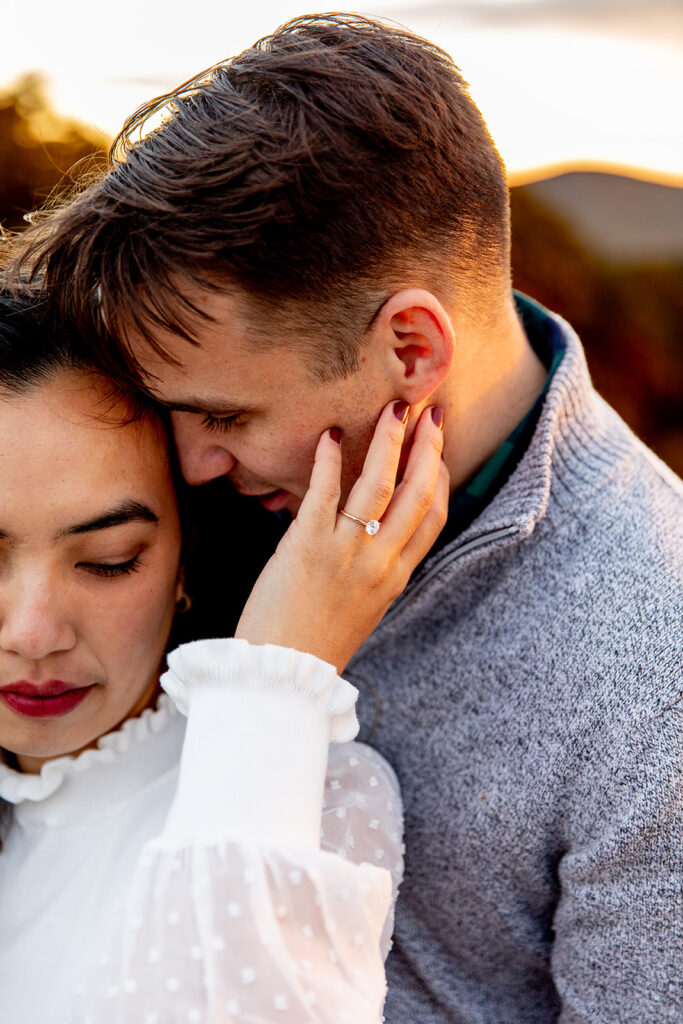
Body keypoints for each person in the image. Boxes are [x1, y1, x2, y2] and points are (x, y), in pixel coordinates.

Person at [3, 13, 683, 1023]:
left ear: (409, 349)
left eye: (225, 415)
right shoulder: (218, 489)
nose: (190, 464)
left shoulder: (653, 662)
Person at [0, 292, 449, 1024]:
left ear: (184, 561)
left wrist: (274, 685)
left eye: (110, 561)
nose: (34, 633)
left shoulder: (312, 791)